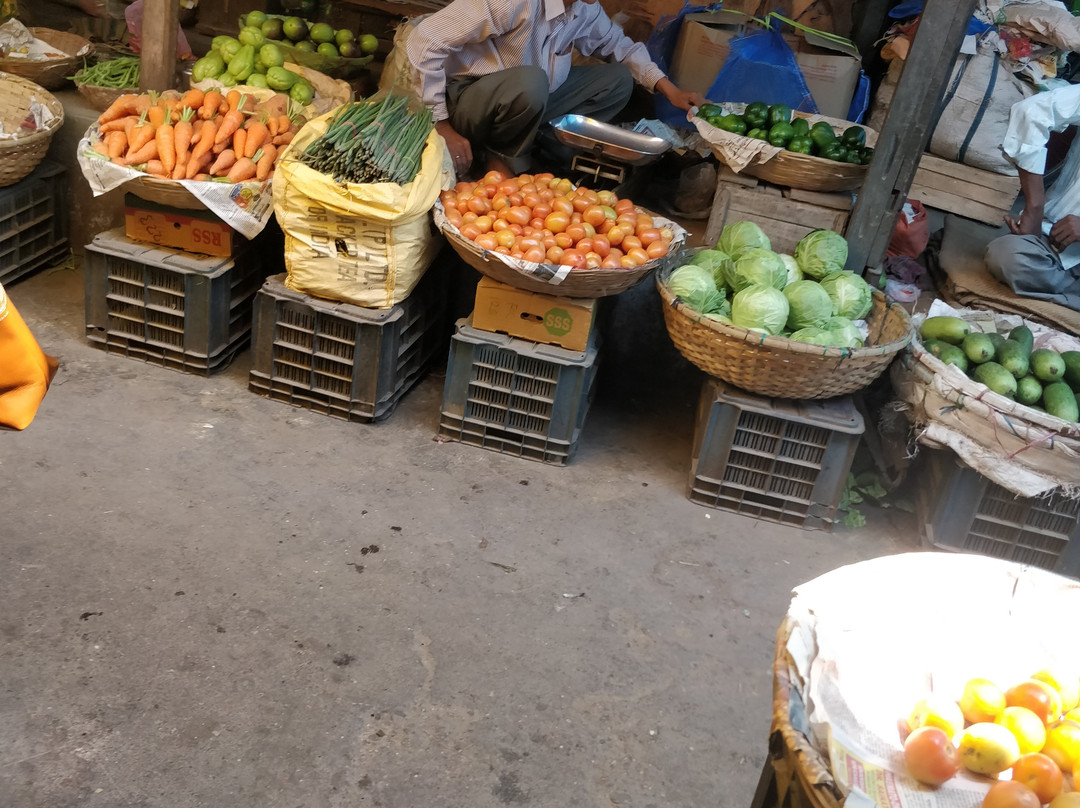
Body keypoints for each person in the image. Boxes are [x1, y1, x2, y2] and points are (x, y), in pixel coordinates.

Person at [404, 0, 705, 178]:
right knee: (532, 81)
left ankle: (541, 147)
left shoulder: (584, 9)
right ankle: (500, 161)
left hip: (528, 100)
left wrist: (670, 91)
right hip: (469, 102)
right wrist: (440, 124)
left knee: (617, 80)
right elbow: (425, 39)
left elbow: (620, 47)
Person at [985, 84, 1080, 311]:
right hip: (1058, 252)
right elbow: (1032, 112)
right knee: (1008, 257)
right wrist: (1034, 208)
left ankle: (1060, 297)